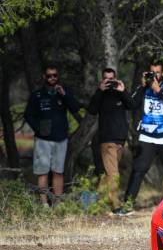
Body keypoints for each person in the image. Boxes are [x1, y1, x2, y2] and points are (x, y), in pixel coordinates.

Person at [122, 60, 163, 213]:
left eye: (157, 73)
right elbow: (132, 104)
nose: (154, 75)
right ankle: (127, 206)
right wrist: (143, 86)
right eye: (151, 72)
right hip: (147, 137)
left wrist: (159, 90)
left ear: (162, 73)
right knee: (138, 170)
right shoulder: (144, 87)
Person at [24, 65, 81, 205]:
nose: (52, 78)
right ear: (44, 77)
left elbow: (75, 108)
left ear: (58, 76)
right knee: (43, 172)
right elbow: (28, 115)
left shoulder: (64, 92)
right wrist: (39, 129)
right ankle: (44, 204)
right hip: (43, 140)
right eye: (49, 76)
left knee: (58, 172)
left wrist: (64, 95)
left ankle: (57, 204)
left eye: (54, 75)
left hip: (61, 139)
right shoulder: (37, 95)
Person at [87, 68, 136, 215]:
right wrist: (99, 91)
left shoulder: (120, 94)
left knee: (108, 175)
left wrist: (123, 91)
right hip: (107, 141)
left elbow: (132, 105)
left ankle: (93, 205)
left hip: (120, 141)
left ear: (116, 79)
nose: (109, 81)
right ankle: (116, 207)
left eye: (111, 79)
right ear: (102, 79)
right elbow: (91, 110)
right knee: (114, 174)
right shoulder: (100, 95)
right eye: (106, 79)